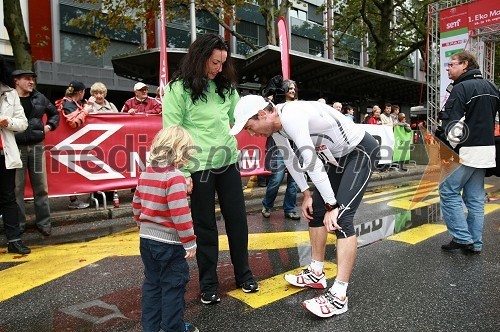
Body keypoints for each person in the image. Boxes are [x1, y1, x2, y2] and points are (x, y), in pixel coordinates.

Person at [230, 95, 380, 318]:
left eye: (250, 127)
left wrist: (332, 204)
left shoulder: (291, 115)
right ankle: (317, 272)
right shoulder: (277, 127)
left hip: (360, 152)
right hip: (337, 159)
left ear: (262, 114)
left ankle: (339, 295)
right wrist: (307, 193)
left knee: (340, 219)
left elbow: (312, 163)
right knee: (315, 212)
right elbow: (291, 160)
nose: (252, 134)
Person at [163, 33, 258, 305]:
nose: (218, 68)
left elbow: (238, 119)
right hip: (197, 166)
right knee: (204, 227)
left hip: (227, 162)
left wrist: (264, 115)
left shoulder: (226, 87)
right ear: (200, 57)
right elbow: (172, 132)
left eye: (222, 63)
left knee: (238, 221)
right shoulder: (177, 89)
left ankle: (244, 274)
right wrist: (181, 174)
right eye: (214, 62)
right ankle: (208, 284)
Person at [133, 126, 198, 332]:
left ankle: (150, 328)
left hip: (146, 239)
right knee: (173, 286)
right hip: (169, 243)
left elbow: (136, 203)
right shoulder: (175, 177)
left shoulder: (146, 173)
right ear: (181, 151)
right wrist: (189, 241)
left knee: (152, 284)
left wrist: (142, 225)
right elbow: (180, 213)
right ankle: (174, 328)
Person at [436, 50, 499, 255]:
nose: (448, 68)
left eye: (451, 64)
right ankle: (475, 242)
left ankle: (462, 237)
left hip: (465, 151)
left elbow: (453, 125)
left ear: (465, 65)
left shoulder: (461, 87)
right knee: (474, 198)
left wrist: (449, 148)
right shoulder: (491, 87)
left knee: (448, 190)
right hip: (486, 151)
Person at [12, 69, 59, 236]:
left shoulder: (39, 97)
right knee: (16, 188)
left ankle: (44, 224)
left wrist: (49, 126)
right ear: (16, 81)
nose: (31, 82)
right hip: (15, 148)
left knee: (41, 187)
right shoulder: (8, 98)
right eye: (27, 79)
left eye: (33, 79)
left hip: (37, 147)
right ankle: (18, 225)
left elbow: (54, 113)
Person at [0, 59, 30, 254]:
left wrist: (7, 121)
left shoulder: (10, 93)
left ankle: (14, 240)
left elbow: (23, 123)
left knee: (8, 197)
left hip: (4, 153)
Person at [261, 79, 299, 220]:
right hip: (281, 147)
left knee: (294, 181)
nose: (292, 91)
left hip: (297, 146)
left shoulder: (299, 106)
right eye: (289, 88)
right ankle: (267, 205)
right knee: (277, 178)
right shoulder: (276, 105)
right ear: (283, 90)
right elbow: (265, 105)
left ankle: (289, 209)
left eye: (294, 88)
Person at [56, 80, 91, 209]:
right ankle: (73, 200)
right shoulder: (67, 103)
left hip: (73, 143)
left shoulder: (74, 103)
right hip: (68, 144)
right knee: (70, 170)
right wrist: (86, 110)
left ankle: (75, 199)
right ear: (80, 92)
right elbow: (74, 122)